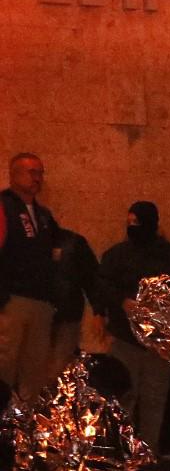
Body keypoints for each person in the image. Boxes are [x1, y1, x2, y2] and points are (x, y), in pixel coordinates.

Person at [96, 201, 170, 451]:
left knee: (153, 404)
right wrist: (121, 302)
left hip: (158, 343)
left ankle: (147, 456)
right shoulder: (117, 256)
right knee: (123, 402)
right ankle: (122, 454)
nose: (132, 227)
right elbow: (102, 286)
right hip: (127, 340)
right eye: (130, 222)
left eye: (137, 222)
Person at [0, 153, 59, 401]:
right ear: (14, 175)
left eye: (41, 173)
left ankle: (23, 428)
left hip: (41, 300)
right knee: (5, 363)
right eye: (32, 172)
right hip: (12, 299)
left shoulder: (43, 215)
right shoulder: (4, 207)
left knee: (34, 372)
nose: (38, 178)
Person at [48, 227, 100, 382]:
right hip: (44, 314)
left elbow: (91, 279)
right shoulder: (70, 242)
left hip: (65, 314)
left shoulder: (72, 243)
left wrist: (99, 311)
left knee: (59, 367)